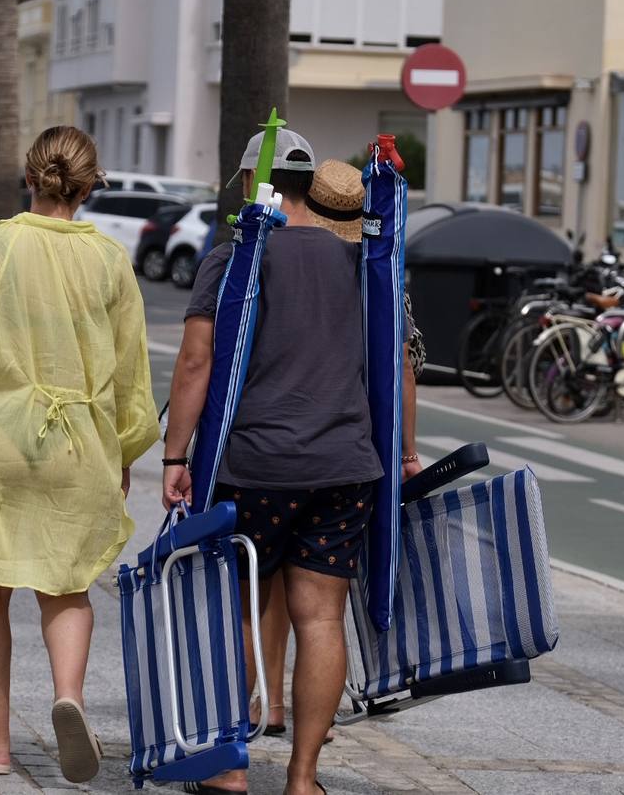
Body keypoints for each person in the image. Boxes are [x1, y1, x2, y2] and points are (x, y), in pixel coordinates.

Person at [0, 126, 158, 783]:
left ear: (30, 177)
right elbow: (131, 373)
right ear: (91, 184)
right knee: (67, 588)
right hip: (80, 447)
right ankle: (68, 697)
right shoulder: (110, 259)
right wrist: (125, 450)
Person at [162, 131, 396, 795]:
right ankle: (303, 778)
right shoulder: (357, 260)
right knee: (320, 619)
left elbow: (197, 363)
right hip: (345, 466)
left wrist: (175, 454)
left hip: (254, 467)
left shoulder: (236, 257)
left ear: (249, 183)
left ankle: (230, 770)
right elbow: (390, 360)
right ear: (309, 185)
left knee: (238, 610)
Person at [249, 158, 424, 740]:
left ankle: (261, 714)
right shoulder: (373, 272)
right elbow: (401, 368)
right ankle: (306, 761)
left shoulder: (260, 255)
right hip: (346, 459)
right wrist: (406, 454)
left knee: (255, 596)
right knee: (323, 613)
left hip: (264, 457)